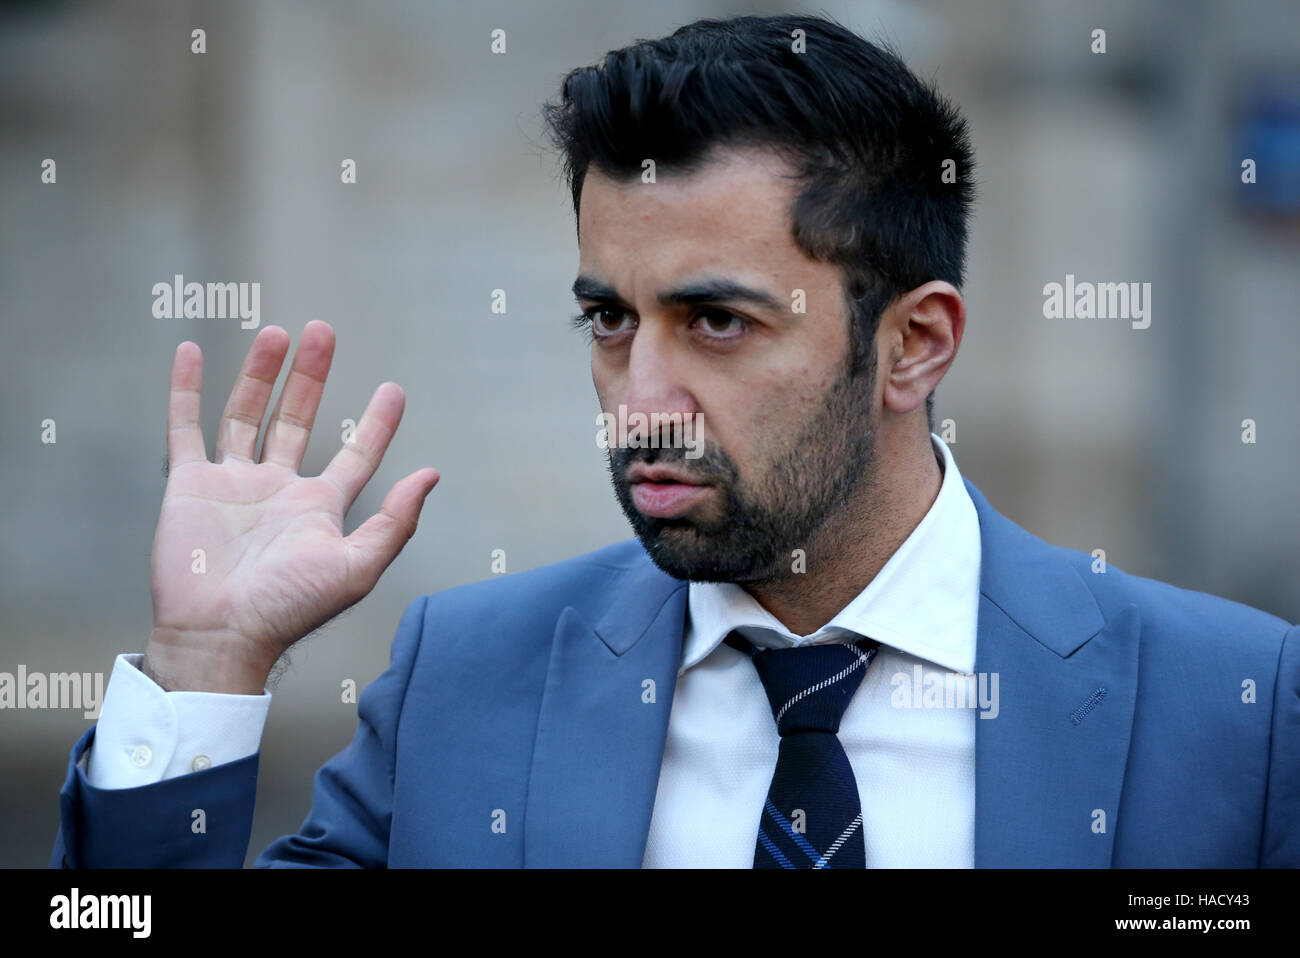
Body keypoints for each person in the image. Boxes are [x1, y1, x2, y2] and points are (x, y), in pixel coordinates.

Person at [51, 13, 1298, 869]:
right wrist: (203, 668)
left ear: (912, 344)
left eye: (716, 320)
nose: (640, 395)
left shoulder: (1227, 709)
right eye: (608, 318)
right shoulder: (468, 683)